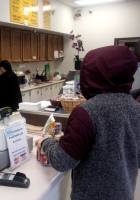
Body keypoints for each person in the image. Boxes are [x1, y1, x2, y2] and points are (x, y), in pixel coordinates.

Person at [36, 46, 140, 200]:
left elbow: (62, 161)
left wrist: (46, 142)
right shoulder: (136, 108)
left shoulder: (86, 112)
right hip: (124, 193)